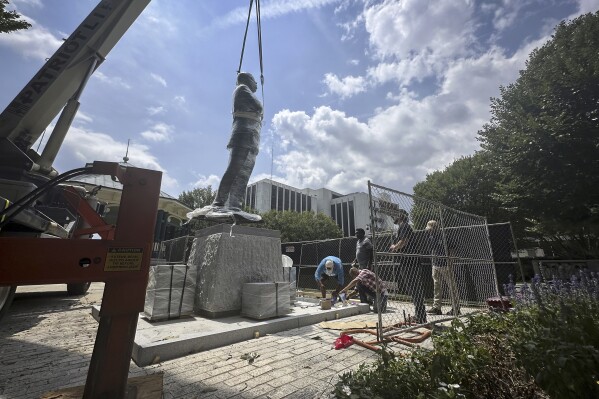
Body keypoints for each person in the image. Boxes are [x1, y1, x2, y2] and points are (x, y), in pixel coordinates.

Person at [190, 72, 263, 219]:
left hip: (251, 138)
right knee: (234, 169)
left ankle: (235, 205)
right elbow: (258, 106)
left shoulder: (245, 89)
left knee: (243, 174)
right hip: (243, 135)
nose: (257, 85)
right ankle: (218, 203)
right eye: (255, 81)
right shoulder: (242, 88)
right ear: (248, 80)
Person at [389, 210, 427, 323]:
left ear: (400, 217)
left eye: (395, 215)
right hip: (409, 261)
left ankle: (420, 316)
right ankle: (420, 315)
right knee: (415, 289)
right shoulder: (405, 226)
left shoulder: (404, 226)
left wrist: (394, 247)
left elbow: (404, 240)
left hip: (409, 262)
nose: (393, 217)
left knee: (415, 289)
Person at [425, 220, 460, 316]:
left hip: (445, 264)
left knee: (451, 286)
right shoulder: (431, 236)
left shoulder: (445, 236)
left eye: (431, 229)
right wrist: (433, 261)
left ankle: (456, 308)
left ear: (436, 227)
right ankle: (437, 308)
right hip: (435, 264)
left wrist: (450, 262)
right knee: (437, 286)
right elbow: (432, 249)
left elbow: (452, 249)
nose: (429, 231)